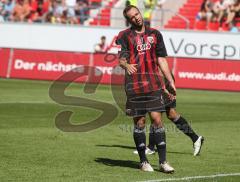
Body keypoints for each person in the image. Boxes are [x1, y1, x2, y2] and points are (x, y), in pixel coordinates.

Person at [116, 5, 175, 173]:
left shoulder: (155, 34)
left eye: (137, 14)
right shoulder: (124, 36)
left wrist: (170, 81)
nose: (137, 18)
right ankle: (143, 161)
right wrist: (126, 64)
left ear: (140, 13)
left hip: (153, 84)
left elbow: (161, 60)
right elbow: (121, 59)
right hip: (134, 85)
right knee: (140, 123)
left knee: (157, 120)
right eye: (132, 17)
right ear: (129, 20)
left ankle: (163, 162)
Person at [134, 73, 204, 156]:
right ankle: (196, 138)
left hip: (161, 81)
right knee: (171, 114)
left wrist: (163, 87)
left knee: (155, 112)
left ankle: (151, 148)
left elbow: (159, 66)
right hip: (164, 79)